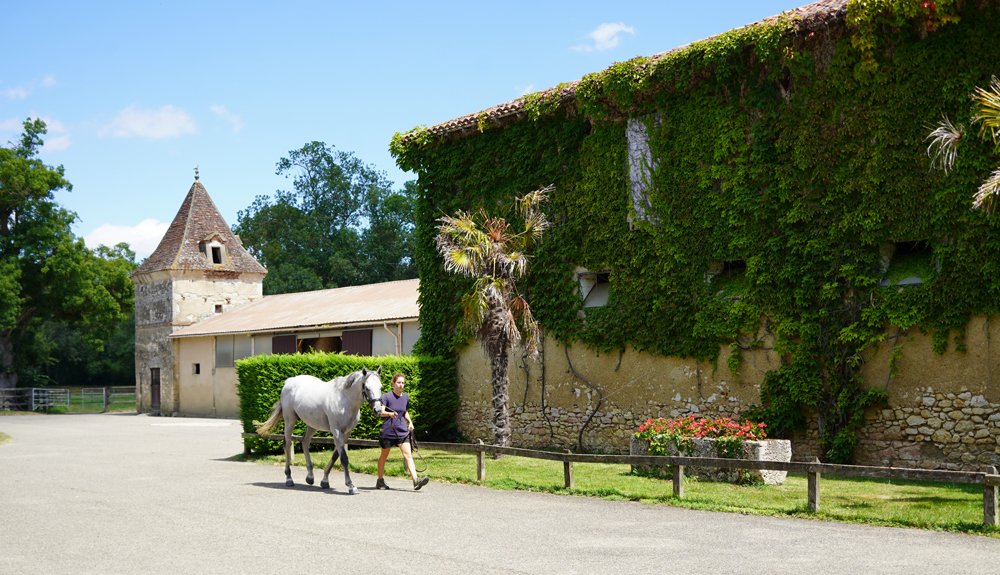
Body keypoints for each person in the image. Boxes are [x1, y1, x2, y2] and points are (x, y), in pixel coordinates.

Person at [376, 372, 429, 490]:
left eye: (403, 383)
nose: (401, 385)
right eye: (399, 382)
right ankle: (380, 480)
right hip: (388, 431)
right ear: (393, 383)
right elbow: (381, 412)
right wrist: (389, 414)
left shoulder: (405, 397)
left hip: (402, 431)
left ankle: (416, 481)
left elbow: (405, 412)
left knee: (408, 455)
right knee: (384, 456)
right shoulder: (386, 396)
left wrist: (410, 422)